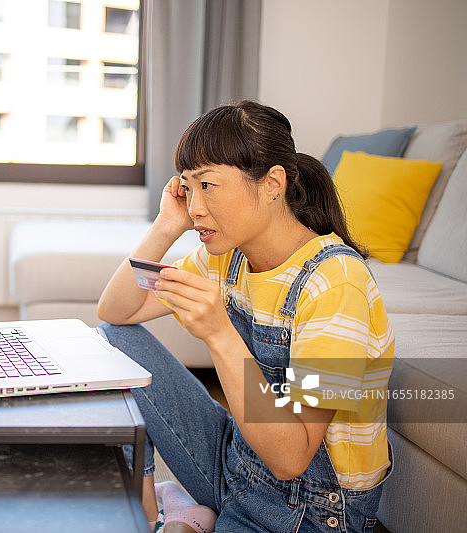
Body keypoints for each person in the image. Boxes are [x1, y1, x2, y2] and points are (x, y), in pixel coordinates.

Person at [97, 100, 394, 533]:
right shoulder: (227, 259)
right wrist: (165, 226)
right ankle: (148, 514)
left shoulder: (335, 285)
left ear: (272, 183)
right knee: (111, 341)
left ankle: (187, 518)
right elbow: (116, 312)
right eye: (187, 187)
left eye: (208, 185)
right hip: (236, 465)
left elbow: (292, 458)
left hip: (308, 510)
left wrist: (220, 333)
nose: (195, 207)